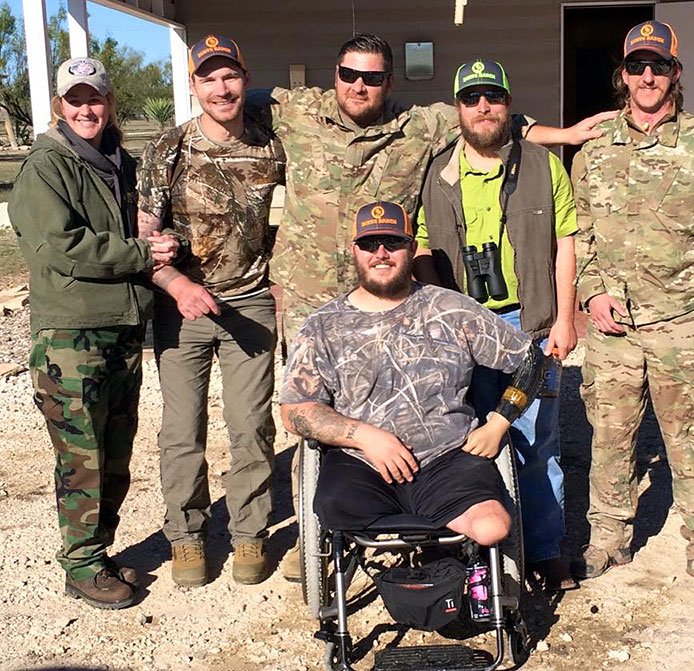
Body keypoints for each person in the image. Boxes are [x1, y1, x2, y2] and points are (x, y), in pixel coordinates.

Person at [254, 33, 613, 579]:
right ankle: (331, 545)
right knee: (353, 416)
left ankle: (535, 547)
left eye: (372, 76)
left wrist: (566, 134)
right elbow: (231, 97)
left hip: (483, 314)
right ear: (335, 75)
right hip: (332, 303)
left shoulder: (425, 129)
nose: (359, 84)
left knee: (513, 434)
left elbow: (501, 133)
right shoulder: (304, 112)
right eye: (350, 74)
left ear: (388, 82)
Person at [571, 21, 694, 596]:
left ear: (676, 73)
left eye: (659, 66)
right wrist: (591, 292)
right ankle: (608, 539)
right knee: (610, 435)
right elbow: (581, 229)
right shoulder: (595, 147)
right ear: (622, 75)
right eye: (636, 66)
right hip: (613, 326)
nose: (647, 76)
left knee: (692, 437)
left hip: (681, 324)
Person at [9, 56, 178, 609]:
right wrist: (140, 253)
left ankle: (97, 552)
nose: (86, 108)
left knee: (114, 452)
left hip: (122, 328)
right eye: (75, 99)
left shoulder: (118, 163)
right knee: (80, 456)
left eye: (96, 98)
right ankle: (80, 563)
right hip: (70, 337)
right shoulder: (46, 168)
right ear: (60, 105)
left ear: (109, 103)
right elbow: (60, 245)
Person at [281, 201, 544, 547]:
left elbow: (531, 359)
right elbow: (294, 411)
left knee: (493, 528)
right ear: (354, 251)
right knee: (333, 510)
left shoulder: (450, 308)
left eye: (393, 243)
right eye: (369, 244)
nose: (381, 253)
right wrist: (365, 437)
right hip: (361, 463)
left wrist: (498, 423)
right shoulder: (323, 326)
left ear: (412, 248)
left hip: (446, 458)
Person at [414, 58, 578, 591]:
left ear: (510, 103)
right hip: (461, 328)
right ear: (457, 108)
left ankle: (544, 548)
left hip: (527, 324)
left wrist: (564, 318)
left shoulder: (543, 165)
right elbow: (419, 245)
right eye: (471, 98)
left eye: (493, 96)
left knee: (534, 442)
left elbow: (565, 243)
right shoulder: (436, 174)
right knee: (461, 439)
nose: (483, 107)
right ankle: (475, 544)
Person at [137, 35, 285, 587]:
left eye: (230, 77)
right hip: (183, 309)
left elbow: (286, 224)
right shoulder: (168, 150)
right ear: (194, 86)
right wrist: (175, 285)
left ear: (245, 80)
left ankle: (250, 533)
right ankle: (187, 535)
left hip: (250, 306)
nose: (221, 88)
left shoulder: (271, 147)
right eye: (209, 78)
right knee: (182, 429)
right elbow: (143, 239)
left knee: (250, 426)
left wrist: (281, 285)